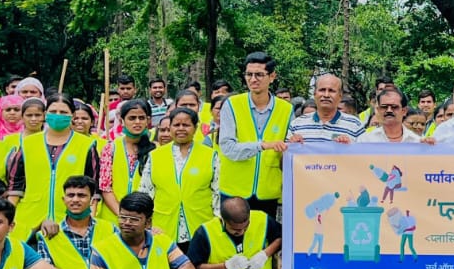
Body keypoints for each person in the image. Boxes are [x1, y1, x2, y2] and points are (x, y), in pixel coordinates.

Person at [7, 93, 100, 241]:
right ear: (45, 114)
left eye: (63, 112)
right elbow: (15, 186)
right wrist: (8, 219)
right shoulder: (28, 144)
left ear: (73, 115)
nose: (58, 115)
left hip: (69, 222)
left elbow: (94, 190)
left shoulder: (86, 145)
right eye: (53, 111)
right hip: (28, 222)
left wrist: (89, 223)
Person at [219, 52, 294, 217]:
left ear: (272, 76)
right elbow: (227, 147)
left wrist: (294, 144)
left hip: (269, 192)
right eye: (249, 74)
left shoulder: (286, 110)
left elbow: (289, 150)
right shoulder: (232, 105)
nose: (253, 79)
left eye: (259, 74)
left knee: (266, 240)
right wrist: (262, 145)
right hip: (234, 191)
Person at [142, 108, 218, 248]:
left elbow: (217, 193)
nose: (181, 129)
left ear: (195, 128)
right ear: (170, 127)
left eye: (186, 125)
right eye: (176, 125)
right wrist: (146, 225)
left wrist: (217, 224)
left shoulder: (210, 155)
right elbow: (145, 192)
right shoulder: (155, 156)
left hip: (201, 226)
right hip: (163, 229)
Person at [101, 99, 157, 221]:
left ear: (148, 120)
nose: (137, 122)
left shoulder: (156, 150)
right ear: (122, 121)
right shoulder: (111, 148)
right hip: (113, 217)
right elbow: (105, 187)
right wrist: (123, 216)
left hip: (143, 220)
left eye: (141, 118)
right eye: (132, 118)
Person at [290, 74, 365, 144]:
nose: (326, 95)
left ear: (340, 95)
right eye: (322, 90)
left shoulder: (355, 125)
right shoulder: (297, 124)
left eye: (331, 91)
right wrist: (292, 144)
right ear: (314, 93)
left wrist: (349, 147)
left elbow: (365, 156)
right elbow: (286, 155)